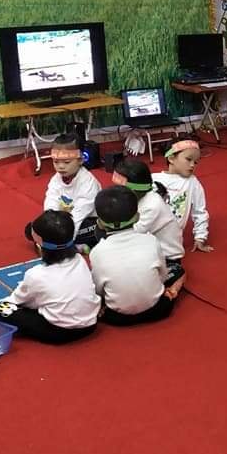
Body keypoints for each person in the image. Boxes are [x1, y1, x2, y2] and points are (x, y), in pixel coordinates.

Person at [0, 210, 100, 344]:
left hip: (59, 332)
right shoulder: (79, 260)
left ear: (39, 244)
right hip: (91, 324)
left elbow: (17, 301)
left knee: (1, 310)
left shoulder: (35, 274)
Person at [91, 186, 178, 326]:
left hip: (117, 317)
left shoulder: (97, 252)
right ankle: (170, 293)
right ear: (137, 216)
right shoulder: (151, 240)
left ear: (100, 223)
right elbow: (162, 275)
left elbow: (98, 289)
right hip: (158, 309)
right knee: (180, 272)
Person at [112, 158, 185, 292]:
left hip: (167, 257)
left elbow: (132, 234)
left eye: (121, 190)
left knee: (137, 286)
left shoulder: (152, 205)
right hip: (145, 247)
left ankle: (176, 277)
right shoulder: (136, 198)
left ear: (136, 189)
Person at [27, 133, 100, 251]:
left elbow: (79, 215)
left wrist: (61, 239)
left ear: (81, 160)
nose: (60, 167)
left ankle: (65, 246)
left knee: (89, 230)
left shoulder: (88, 183)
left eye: (66, 162)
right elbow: (51, 202)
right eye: (56, 162)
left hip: (86, 220)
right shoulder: (56, 179)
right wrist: (50, 223)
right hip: (62, 220)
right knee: (30, 229)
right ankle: (67, 245)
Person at [152, 136, 212, 252]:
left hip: (173, 242)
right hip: (146, 236)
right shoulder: (153, 179)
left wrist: (200, 237)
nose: (192, 165)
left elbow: (200, 211)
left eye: (195, 162)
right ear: (171, 158)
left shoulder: (192, 182)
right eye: (188, 159)